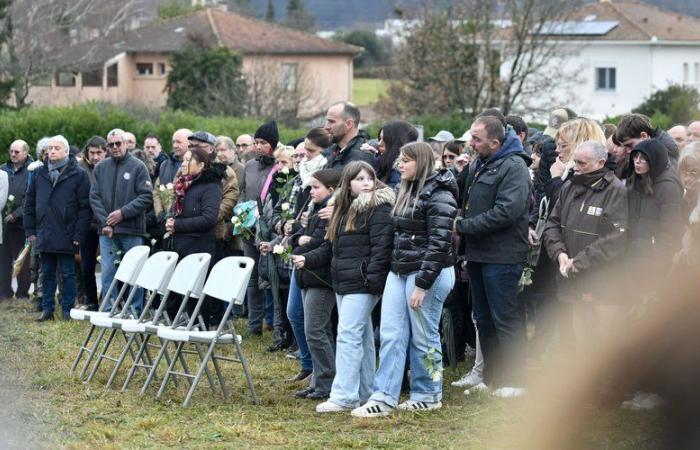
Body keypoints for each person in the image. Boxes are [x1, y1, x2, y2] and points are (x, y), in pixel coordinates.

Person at [352, 143, 457, 417]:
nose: (400, 164)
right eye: (399, 159)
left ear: (420, 163)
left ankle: (429, 393)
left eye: (406, 160)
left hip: (428, 273)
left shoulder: (440, 194)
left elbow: (440, 242)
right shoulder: (404, 190)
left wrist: (423, 283)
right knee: (391, 334)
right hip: (400, 271)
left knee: (424, 336)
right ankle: (383, 395)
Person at [293, 161, 393, 410]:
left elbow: (382, 249)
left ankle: (344, 396)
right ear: (348, 184)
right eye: (360, 179)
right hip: (343, 281)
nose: (367, 183)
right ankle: (365, 392)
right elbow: (330, 247)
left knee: (348, 336)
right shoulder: (342, 210)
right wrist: (307, 258)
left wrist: (372, 281)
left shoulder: (378, 208)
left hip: (362, 282)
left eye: (370, 178)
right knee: (363, 337)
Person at [453, 116, 532, 397]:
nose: (470, 143)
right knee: (483, 319)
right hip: (478, 254)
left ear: (495, 142)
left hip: (503, 255)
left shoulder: (514, 167)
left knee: (504, 318)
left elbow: (507, 211)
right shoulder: (479, 163)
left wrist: (462, 227)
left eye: (476, 139)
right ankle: (493, 376)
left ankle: (517, 380)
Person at [543, 141, 628, 356]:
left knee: (604, 338)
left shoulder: (616, 190)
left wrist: (579, 262)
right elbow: (552, 223)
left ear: (601, 162)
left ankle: (609, 387)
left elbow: (616, 237)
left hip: (601, 278)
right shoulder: (569, 186)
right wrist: (560, 254)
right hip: (571, 275)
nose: (576, 167)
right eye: (575, 162)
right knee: (579, 333)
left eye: (583, 163)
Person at [286, 169, 343, 401]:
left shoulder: (330, 212)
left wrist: (302, 251)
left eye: (316, 187)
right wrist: (297, 241)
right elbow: (298, 237)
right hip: (309, 275)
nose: (311, 191)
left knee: (316, 331)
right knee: (317, 331)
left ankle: (326, 382)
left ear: (331, 190)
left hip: (320, 278)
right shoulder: (317, 209)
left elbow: (322, 245)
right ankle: (320, 380)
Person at [24, 135, 91, 321]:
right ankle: (47, 310)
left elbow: (85, 208)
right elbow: (29, 203)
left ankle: (68, 310)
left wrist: (78, 234)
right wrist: (30, 231)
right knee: (46, 273)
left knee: (68, 274)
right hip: (44, 232)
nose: (52, 151)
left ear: (66, 152)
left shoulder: (78, 174)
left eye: (56, 148)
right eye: (50, 148)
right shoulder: (39, 173)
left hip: (68, 233)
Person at [90, 128, 153, 312]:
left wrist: (123, 213)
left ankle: (134, 310)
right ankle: (110, 309)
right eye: (111, 144)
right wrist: (106, 222)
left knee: (134, 272)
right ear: (108, 147)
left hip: (132, 230)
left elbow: (146, 196)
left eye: (119, 143)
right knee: (108, 272)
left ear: (126, 144)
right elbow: (94, 197)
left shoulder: (138, 166)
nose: (115, 147)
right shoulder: (101, 167)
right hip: (107, 232)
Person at [164, 146, 223, 322]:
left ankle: (200, 325)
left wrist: (178, 225)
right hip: (180, 245)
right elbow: (178, 211)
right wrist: (169, 219)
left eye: (188, 160)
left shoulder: (211, 185)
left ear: (202, 165)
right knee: (180, 291)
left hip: (198, 247)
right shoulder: (184, 184)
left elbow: (209, 219)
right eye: (183, 160)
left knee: (196, 293)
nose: (183, 163)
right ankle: (181, 321)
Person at [241, 120, 279, 335]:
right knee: (252, 278)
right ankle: (254, 325)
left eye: (263, 142)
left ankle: (275, 323)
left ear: (273, 144)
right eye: (256, 142)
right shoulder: (249, 166)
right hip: (249, 230)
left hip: (270, 232)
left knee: (272, 278)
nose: (258, 147)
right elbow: (243, 194)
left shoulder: (279, 167)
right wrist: (242, 217)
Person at [626, 139, 683, 269]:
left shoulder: (668, 187)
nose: (637, 161)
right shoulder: (633, 182)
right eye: (635, 156)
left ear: (655, 159)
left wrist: (658, 262)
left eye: (644, 158)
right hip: (630, 259)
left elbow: (671, 231)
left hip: (654, 261)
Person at [0, 140, 34, 300]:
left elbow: (31, 197)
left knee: (22, 260)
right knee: (3, 259)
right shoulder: (3, 169)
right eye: (11, 151)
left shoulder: (32, 170)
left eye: (17, 152)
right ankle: (5, 292)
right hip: (3, 224)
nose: (13, 154)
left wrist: (16, 214)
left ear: (26, 153)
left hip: (22, 224)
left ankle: (22, 293)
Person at [77, 136, 107, 311]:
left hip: (106, 223)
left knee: (109, 266)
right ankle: (91, 301)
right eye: (92, 152)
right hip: (88, 225)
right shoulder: (81, 169)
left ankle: (107, 300)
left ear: (105, 152)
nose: (96, 156)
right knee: (87, 265)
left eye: (99, 153)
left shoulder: (110, 167)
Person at [614, 113, 679, 168]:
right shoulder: (651, 156)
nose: (627, 151)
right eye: (625, 146)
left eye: (629, 145)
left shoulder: (664, 159)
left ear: (644, 136)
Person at [324, 102, 376, 171]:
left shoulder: (362, 157)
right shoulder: (333, 150)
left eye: (331, 121)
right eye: (327, 121)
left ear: (349, 124)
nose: (326, 127)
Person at [377, 120, 418, 187]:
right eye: (379, 138)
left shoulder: (400, 170)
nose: (379, 143)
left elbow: (389, 195)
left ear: (396, 142)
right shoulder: (386, 163)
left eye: (384, 139)